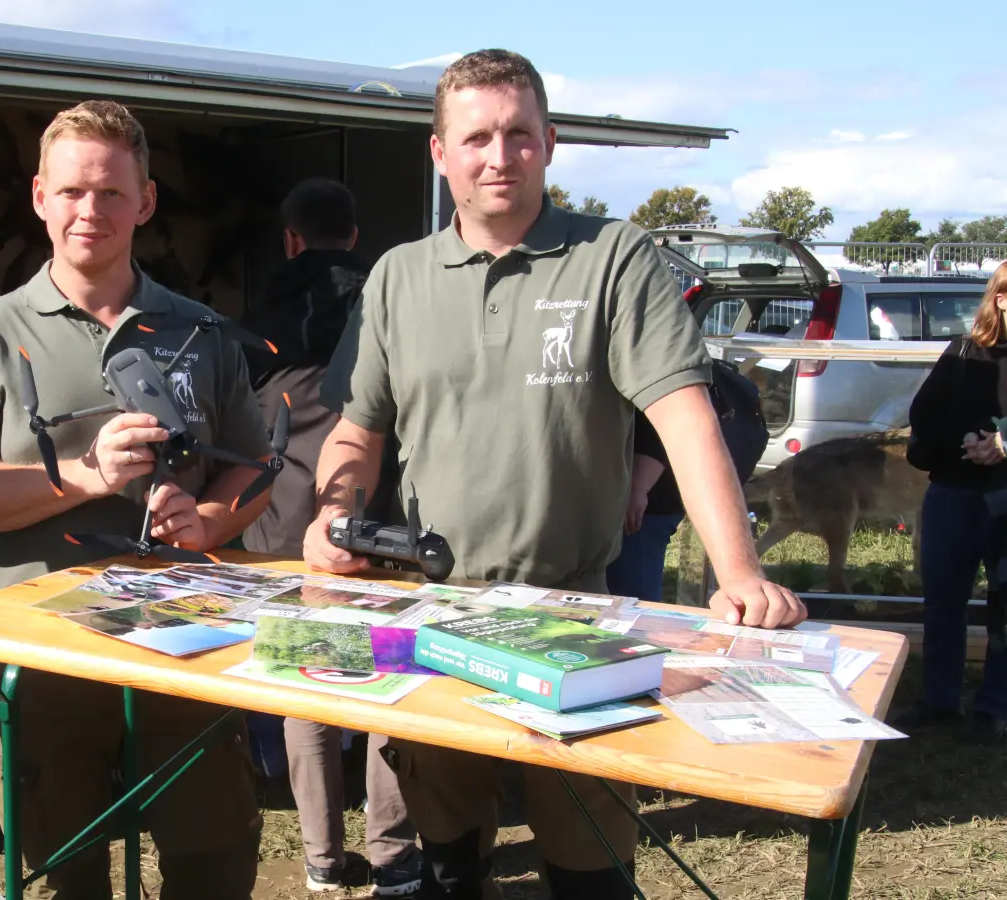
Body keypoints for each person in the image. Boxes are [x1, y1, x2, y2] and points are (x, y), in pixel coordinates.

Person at [304, 49, 807, 899]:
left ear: (550, 142)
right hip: (436, 615)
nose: (498, 156)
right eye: (475, 139)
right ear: (440, 154)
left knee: (589, 868)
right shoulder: (397, 277)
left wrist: (740, 574)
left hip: (578, 614)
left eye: (518, 135)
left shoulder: (613, 256)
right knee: (448, 862)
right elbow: (357, 432)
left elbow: (684, 417)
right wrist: (332, 515)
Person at [0, 99, 275, 899]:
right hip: (47, 659)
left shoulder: (199, 331)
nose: (91, 211)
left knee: (212, 858)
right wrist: (79, 478)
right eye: (73, 191)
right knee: (61, 871)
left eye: (112, 193)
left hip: (186, 647)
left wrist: (211, 517)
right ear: (40, 197)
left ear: (145, 202)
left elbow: (255, 461)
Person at [237, 178, 421, 896]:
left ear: (290, 238)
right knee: (391, 675)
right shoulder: (386, 298)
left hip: (285, 521)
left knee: (302, 677)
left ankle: (319, 856)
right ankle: (393, 853)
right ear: (354, 231)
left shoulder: (259, 312)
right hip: (379, 515)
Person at [898, 260, 1007, 744]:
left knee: (1005, 606)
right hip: (953, 491)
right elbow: (924, 414)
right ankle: (940, 700)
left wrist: (1004, 443)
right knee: (942, 602)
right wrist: (967, 442)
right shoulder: (965, 351)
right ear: (1001, 298)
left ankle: (995, 709)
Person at [604, 412, 686, 602]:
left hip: (641, 505)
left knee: (628, 600)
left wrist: (638, 487)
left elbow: (664, 425)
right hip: (623, 497)